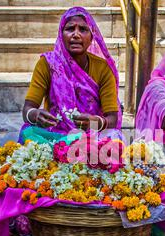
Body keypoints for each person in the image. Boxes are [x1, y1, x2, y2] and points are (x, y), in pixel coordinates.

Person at [20, 6, 121, 138]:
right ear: (61, 35)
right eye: (70, 29)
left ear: (92, 38)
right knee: (28, 131)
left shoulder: (103, 68)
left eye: (83, 29)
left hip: (91, 136)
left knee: (114, 136)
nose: (76, 34)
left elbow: (113, 119)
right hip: (53, 134)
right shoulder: (47, 64)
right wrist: (35, 115)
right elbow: (27, 109)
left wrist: (96, 123)